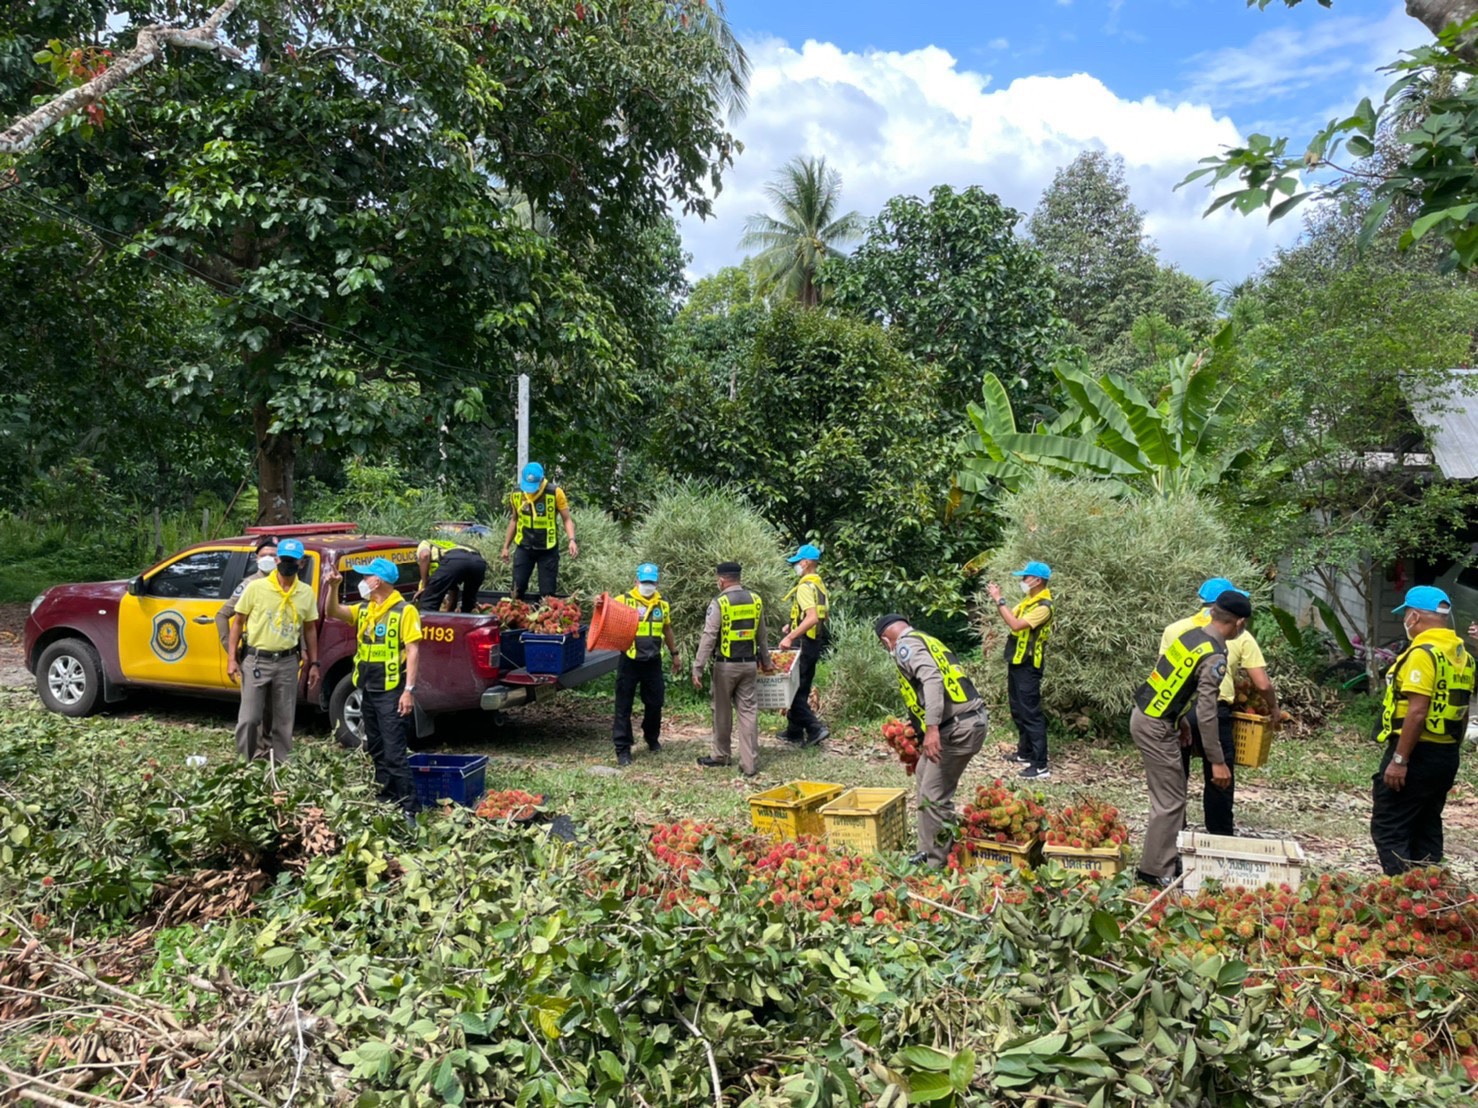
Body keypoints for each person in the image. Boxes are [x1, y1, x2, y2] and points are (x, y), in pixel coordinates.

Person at [1129, 592, 1248, 887]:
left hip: (1148, 715)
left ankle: (1160, 860)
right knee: (1170, 801)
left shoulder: (1192, 636)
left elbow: (1168, 681)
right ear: (1239, 623)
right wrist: (1217, 761)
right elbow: (1207, 714)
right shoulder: (1215, 657)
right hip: (1155, 726)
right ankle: (1155, 871)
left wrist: (1180, 718)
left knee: (1168, 798)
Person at [1160, 577, 1281, 836]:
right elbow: (1261, 683)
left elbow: (1162, 673)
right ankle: (1220, 837)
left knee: (1175, 779)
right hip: (1214, 711)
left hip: (1178, 712)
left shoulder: (1176, 629)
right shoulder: (1239, 635)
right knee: (1219, 777)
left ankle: (1174, 837)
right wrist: (1273, 708)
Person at [1370, 587, 1476, 875]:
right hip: (1445, 754)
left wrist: (1400, 760)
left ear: (1414, 616)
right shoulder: (1462, 656)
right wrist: (1449, 753)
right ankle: (1432, 893)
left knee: (1389, 826)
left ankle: (1404, 893)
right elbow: (1463, 710)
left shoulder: (1423, 654)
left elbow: (1417, 711)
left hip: (1415, 753)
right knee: (1426, 825)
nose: (1406, 620)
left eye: (1406, 614)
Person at [875, 614, 989, 867]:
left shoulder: (905, 647)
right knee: (925, 774)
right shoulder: (927, 640)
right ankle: (929, 848)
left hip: (957, 729)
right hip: (965, 721)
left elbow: (933, 680)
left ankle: (935, 862)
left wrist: (932, 728)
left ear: (886, 639)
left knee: (934, 794)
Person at [322, 558, 422, 815]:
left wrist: (408, 691)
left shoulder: (404, 611)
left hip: (392, 691)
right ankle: (387, 796)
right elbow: (333, 612)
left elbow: (412, 651)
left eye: (366, 577)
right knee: (376, 747)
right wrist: (333, 587)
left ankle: (410, 807)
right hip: (367, 689)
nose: (363, 581)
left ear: (377, 581)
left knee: (394, 751)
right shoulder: (365, 610)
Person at [226, 538, 321, 761]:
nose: (286, 564)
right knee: (250, 718)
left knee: (283, 719)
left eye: (292, 561)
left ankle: (280, 765)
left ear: (301, 563)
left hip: (287, 661)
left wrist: (314, 663)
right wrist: (232, 658)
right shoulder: (256, 588)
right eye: (283, 559)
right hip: (257, 659)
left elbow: (309, 629)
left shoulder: (305, 593)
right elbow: (238, 622)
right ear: (277, 560)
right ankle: (246, 762)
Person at [692, 562, 771, 778]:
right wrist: (766, 661)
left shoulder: (720, 602)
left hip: (725, 666)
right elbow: (761, 635)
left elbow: (709, 636)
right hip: (749, 665)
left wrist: (697, 667)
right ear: (738, 577)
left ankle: (721, 755)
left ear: (722, 579)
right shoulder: (755, 600)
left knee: (722, 711)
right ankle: (749, 764)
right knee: (748, 713)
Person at [986, 560, 1054, 781]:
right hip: (1016, 661)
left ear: (1037, 580)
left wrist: (999, 599)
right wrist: (999, 601)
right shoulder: (1029, 601)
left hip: (1029, 665)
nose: (1022, 581)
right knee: (1018, 709)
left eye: (1025, 577)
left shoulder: (1043, 607)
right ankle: (1025, 753)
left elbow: (1016, 625)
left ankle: (1041, 765)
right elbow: (1009, 616)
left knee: (1031, 713)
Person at [612, 562, 682, 767]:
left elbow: (667, 630)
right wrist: (599, 603)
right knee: (623, 706)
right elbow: (606, 612)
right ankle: (623, 749)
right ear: (636, 581)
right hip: (629, 660)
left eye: (651, 582)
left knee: (655, 703)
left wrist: (675, 654)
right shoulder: (623, 601)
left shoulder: (663, 605)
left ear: (657, 582)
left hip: (653, 661)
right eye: (644, 581)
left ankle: (651, 737)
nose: (648, 585)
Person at [216, 534, 279, 755]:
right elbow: (223, 615)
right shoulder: (250, 584)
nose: (269, 559)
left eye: (273, 555)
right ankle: (250, 754)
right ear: (257, 559)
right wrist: (231, 650)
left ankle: (268, 750)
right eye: (265, 556)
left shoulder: (286, 584)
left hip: (279, 655)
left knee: (272, 709)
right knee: (253, 712)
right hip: (254, 655)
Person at [500, 462, 577, 601]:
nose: (530, 491)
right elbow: (514, 520)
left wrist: (572, 540)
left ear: (541, 480)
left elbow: (567, 519)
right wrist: (506, 546)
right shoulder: (516, 493)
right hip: (524, 546)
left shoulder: (555, 493)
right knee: (517, 589)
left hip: (548, 548)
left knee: (547, 594)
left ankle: (547, 619)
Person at [777, 543, 830, 746]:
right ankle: (794, 731)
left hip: (803, 643)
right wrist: (791, 625)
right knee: (803, 686)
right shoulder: (819, 586)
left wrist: (791, 637)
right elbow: (818, 614)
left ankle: (815, 729)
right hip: (814, 641)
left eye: (797, 562)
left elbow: (812, 617)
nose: (796, 566)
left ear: (806, 563)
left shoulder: (805, 587)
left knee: (793, 689)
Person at [415, 534, 488, 613]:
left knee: (428, 602)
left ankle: (427, 623)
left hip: (456, 560)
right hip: (479, 562)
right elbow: (453, 590)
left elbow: (424, 556)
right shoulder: (448, 548)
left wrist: (424, 586)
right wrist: (449, 612)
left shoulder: (425, 543)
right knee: (468, 603)